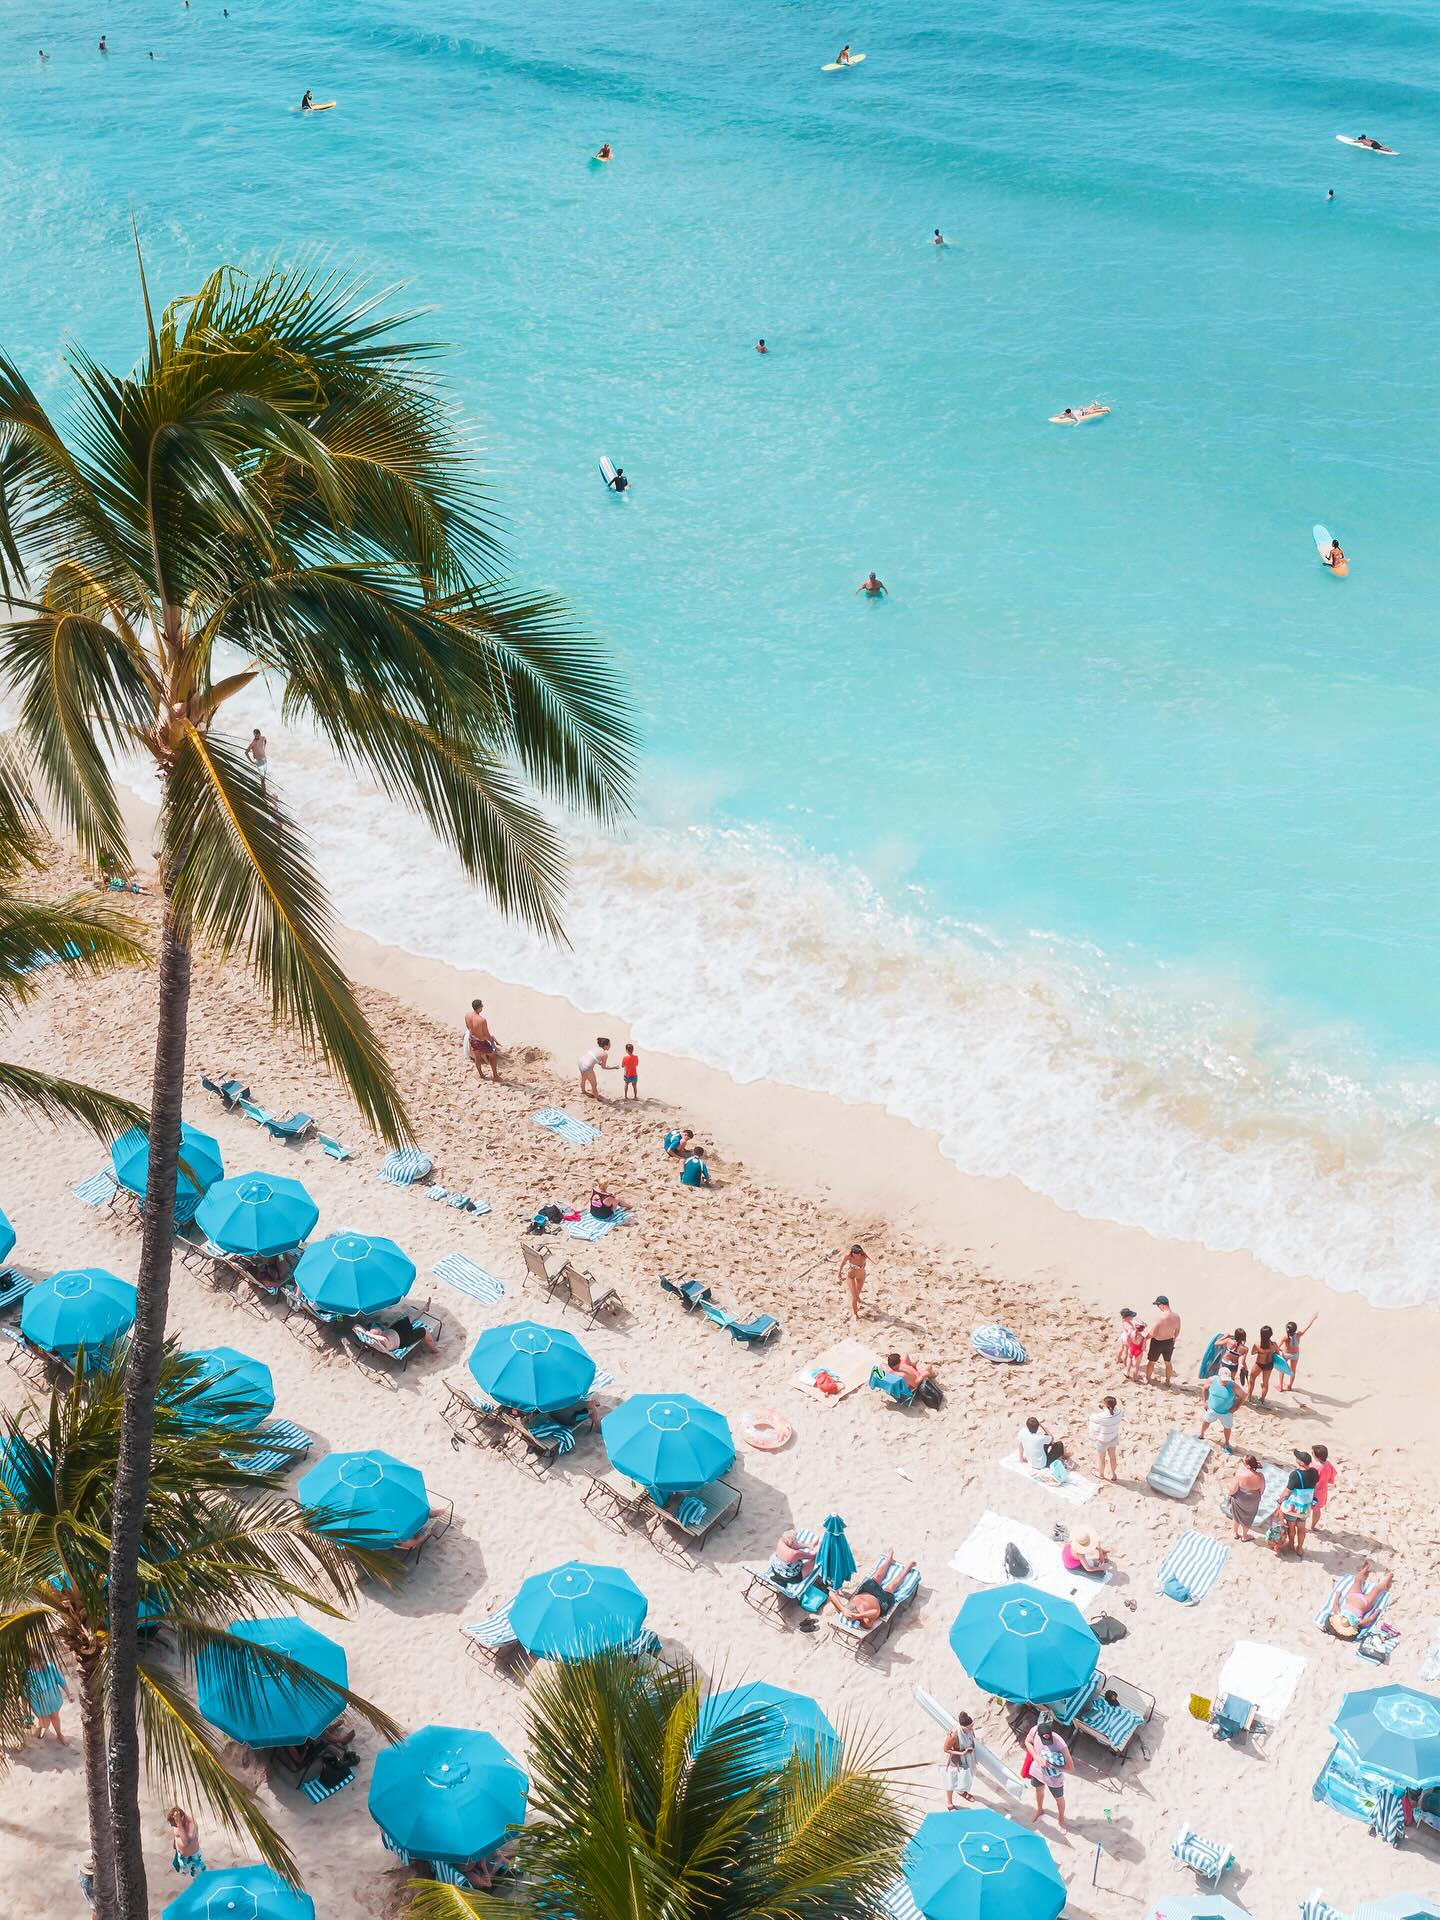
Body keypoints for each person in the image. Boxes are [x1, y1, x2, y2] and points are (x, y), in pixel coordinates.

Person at [825, 1551, 914, 1628]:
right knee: (892, 1586)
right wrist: (857, 1616)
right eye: (849, 1617)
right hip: (881, 1601)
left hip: (866, 1591)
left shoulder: (843, 1610)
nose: (849, 1613)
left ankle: (889, 1560)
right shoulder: (864, 1621)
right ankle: (907, 1569)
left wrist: (842, 1609)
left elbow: (831, 1593)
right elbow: (875, 1611)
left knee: (878, 1576)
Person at [1025, 1712, 1071, 1831]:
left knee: (1059, 1799)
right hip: (1037, 1771)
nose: (1047, 1740)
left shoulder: (1060, 1743)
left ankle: (1061, 1820)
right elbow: (1027, 1741)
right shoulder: (1034, 1730)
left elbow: (1070, 1767)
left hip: (1054, 1778)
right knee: (1038, 1790)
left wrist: (1051, 1765)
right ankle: (1040, 1809)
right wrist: (1036, 1757)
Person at [1329, 1558, 1392, 1637]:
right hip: (1354, 1596)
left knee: (1376, 1589)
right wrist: (1337, 1594)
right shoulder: (1340, 1614)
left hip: (1364, 1602)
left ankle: (1388, 1576)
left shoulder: (1357, 1622)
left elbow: (1370, 1619)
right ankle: (1366, 1568)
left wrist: (1377, 1611)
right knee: (1358, 1581)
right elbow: (1335, 1604)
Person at [1279, 1449, 1319, 1554]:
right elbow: (1315, 1486)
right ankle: (1300, 1548)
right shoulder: (1314, 1473)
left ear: (1301, 1462)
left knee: (1291, 1526)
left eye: (1298, 1457)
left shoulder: (1295, 1474)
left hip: (1293, 1506)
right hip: (1305, 1506)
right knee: (1302, 1527)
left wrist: (1280, 1500)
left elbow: (1287, 1491)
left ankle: (1291, 1544)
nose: (1296, 1458)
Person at [27, 1655, 70, 1741]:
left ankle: (59, 1734)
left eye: (36, 1664)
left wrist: (68, 1694)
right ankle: (40, 1727)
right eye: (32, 1665)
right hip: (39, 1701)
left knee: (55, 1717)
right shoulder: (28, 1674)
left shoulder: (50, 1668)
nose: (34, 1667)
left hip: (52, 1697)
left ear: (41, 1661)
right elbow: (28, 1693)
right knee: (45, 1723)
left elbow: (61, 1680)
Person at [1224, 1454, 1265, 1542]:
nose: (1242, 1463)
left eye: (1243, 1462)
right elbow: (1262, 1491)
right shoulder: (1261, 1476)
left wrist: (1230, 1495)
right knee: (1248, 1518)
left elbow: (1233, 1490)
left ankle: (1235, 1533)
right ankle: (1245, 1536)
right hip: (1253, 1501)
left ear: (1248, 1466)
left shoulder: (1240, 1475)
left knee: (1236, 1516)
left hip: (1240, 1500)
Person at [1197, 1365, 1239, 1450]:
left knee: (1227, 1427)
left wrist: (1236, 1407)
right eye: (1223, 1379)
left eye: (1227, 1380)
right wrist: (1204, 1401)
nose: (1225, 1381)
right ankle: (1201, 1434)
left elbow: (1243, 1396)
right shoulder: (1212, 1380)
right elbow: (1204, 1388)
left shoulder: (1233, 1385)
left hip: (1226, 1412)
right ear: (1219, 1376)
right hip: (1212, 1409)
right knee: (1206, 1421)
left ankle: (1226, 1442)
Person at [366, 1313, 440, 1355]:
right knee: (425, 1331)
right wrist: (370, 1334)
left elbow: (380, 1334)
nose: (380, 1331)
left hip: (395, 1330)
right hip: (403, 1339)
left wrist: (367, 1333)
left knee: (408, 1318)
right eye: (379, 1332)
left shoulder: (378, 1336)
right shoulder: (383, 1342)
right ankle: (434, 1350)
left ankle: (424, 1309)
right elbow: (384, 1339)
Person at [1146, 1296, 1180, 1384]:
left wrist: (1145, 1338)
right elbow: (1177, 1331)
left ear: (1162, 1305)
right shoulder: (1176, 1316)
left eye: (1158, 1305)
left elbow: (1153, 1333)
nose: (1158, 1307)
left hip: (1157, 1342)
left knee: (1151, 1361)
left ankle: (1148, 1379)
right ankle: (1168, 1381)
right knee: (1168, 1362)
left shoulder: (1161, 1317)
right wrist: (1174, 1339)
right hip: (1169, 1341)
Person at [1088, 1394, 1122, 1481]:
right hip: (1113, 1437)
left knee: (1101, 1459)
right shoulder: (1118, 1412)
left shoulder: (1102, 1416)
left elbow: (1092, 1418)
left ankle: (1101, 1474)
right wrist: (1105, 1407)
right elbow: (1111, 1411)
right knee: (1113, 1457)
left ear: (1106, 1405)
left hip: (1103, 1440)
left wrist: (1101, 1408)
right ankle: (1114, 1474)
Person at [943, 1714, 976, 1806]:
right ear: (962, 1727)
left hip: (968, 1758)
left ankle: (961, 1791)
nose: (971, 1729)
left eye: (972, 1726)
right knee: (951, 1780)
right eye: (969, 1727)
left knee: (965, 1777)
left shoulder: (969, 1730)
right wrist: (962, 1753)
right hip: (957, 1759)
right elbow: (946, 1749)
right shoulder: (954, 1735)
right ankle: (949, 1802)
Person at [1278, 1313, 1316, 1389]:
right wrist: (1313, 1319)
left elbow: (1278, 1347)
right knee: (1293, 1370)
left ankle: (1281, 1386)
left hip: (1286, 1354)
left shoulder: (1285, 1337)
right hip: (1295, 1355)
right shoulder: (1299, 1334)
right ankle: (1290, 1386)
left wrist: (1280, 1350)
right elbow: (1307, 1327)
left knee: (1282, 1369)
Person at [465, 999, 499, 1082]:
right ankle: (495, 1076)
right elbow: (486, 1034)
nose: (482, 1007)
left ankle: (481, 1074)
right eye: (482, 1006)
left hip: (472, 1039)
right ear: (479, 1007)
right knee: (493, 1056)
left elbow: (468, 1027)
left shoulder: (467, 1015)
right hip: (480, 1041)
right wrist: (492, 1042)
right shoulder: (482, 1020)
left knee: (477, 1057)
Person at [1246, 1325, 1280, 1402]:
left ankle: (1249, 1397)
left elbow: (1252, 1353)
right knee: (1265, 1383)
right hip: (1269, 1365)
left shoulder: (1257, 1344)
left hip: (1259, 1364)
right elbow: (1278, 1353)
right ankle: (1262, 1399)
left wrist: (1260, 1352)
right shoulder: (1274, 1344)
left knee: (1252, 1379)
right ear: (1271, 1334)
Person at [167, 1807, 204, 1879]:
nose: (172, 1826)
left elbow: (186, 1843)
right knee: (183, 1872)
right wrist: (175, 1845)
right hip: (181, 1855)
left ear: (181, 1819)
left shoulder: (191, 1824)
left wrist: (179, 1824)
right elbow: (176, 1835)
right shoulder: (176, 1821)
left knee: (199, 1878)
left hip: (193, 1857)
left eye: (174, 1824)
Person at [1309, 1441, 1336, 1532]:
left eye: (1313, 1453)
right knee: (1317, 1510)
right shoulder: (1328, 1464)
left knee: (1305, 1508)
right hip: (1322, 1492)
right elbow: (1331, 1478)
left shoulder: (1315, 1467)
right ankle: (1313, 1526)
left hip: (1313, 1492)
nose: (1312, 1454)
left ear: (1318, 1456)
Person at [1116, 1307, 1146, 1381]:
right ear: (1127, 1317)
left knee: (1122, 1349)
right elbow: (1143, 1348)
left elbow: (1129, 1334)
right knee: (1127, 1353)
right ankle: (1126, 1366)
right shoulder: (1130, 1327)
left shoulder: (1124, 1321)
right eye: (1131, 1316)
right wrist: (1128, 1340)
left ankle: (1118, 1360)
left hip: (1125, 1337)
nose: (1133, 1317)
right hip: (1131, 1342)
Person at [839, 1244, 867, 1319]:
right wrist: (839, 1273)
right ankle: (855, 1313)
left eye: (859, 1253)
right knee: (854, 1297)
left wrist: (874, 1260)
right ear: (853, 1253)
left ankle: (858, 1297)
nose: (859, 1255)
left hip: (861, 1277)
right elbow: (842, 1263)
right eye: (857, 1254)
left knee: (858, 1291)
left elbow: (875, 1260)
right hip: (850, 1276)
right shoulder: (848, 1256)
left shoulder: (863, 1255)